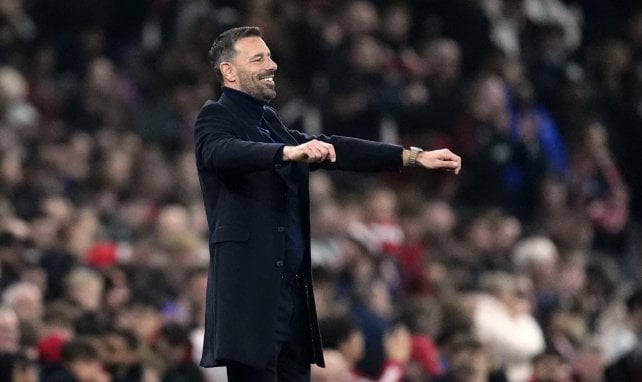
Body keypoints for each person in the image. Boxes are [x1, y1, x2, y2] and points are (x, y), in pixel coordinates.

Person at [193, 26, 462, 382]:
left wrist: (412, 157)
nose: (272, 65)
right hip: (250, 301)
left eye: (270, 56)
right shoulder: (215, 117)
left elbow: (336, 147)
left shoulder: (270, 123)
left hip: (290, 297)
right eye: (258, 58)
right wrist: (285, 152)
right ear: (229, 71)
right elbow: (221, 154)